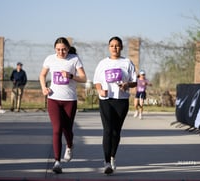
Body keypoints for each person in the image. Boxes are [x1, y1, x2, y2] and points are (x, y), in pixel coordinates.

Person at [39, 37, 87, 174]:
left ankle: (70, 146)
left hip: (69, 100)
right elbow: (42, 75)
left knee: (67, 129)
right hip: (53, 98)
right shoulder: (50, 59)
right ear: (55, 49)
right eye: (58, 49)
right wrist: (44, 88)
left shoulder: (74, 59)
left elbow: (84, 78)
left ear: (68, 49)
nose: (61, 52)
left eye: (64, 49)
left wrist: (71, 76)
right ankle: (57, 162)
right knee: (57, 129)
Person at [93, 36, 137, 175]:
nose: (114, 48)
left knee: (116, 131)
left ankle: (113, 156)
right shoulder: (102, 63)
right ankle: (106, 162)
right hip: (106, 99)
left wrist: (126, 84)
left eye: (117, 45)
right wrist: (100, 90)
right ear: (109, 47)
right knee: (107, 130)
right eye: (112, 45)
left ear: (121, 47)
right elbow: (97, 81)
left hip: (121, 100)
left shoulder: (127, 62)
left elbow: (134, 82)